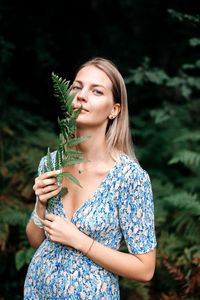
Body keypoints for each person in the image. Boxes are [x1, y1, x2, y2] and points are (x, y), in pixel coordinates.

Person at [24, 57, 157, 299]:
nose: (82, 95)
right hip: (37, 292)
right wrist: (40, 205)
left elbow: (145, 269)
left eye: (96, 91)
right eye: (77, 87)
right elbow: (37, 243)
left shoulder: (130, 178)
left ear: (114, 110)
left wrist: (79, 240)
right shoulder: (52, 164)